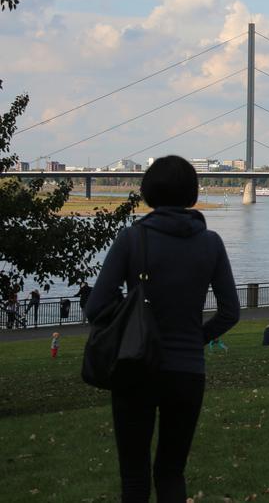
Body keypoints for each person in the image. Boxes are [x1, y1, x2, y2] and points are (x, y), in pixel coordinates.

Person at [85, 155, 240, 502]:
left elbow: (96, 307)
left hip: (134, 366)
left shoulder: (132, 239)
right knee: (171, 472)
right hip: (187, 373)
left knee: (135, 476)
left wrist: (127, 319)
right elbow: (231, 312)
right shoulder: (211, 242)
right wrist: (195, 339)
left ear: (148, 192)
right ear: (192, 193)